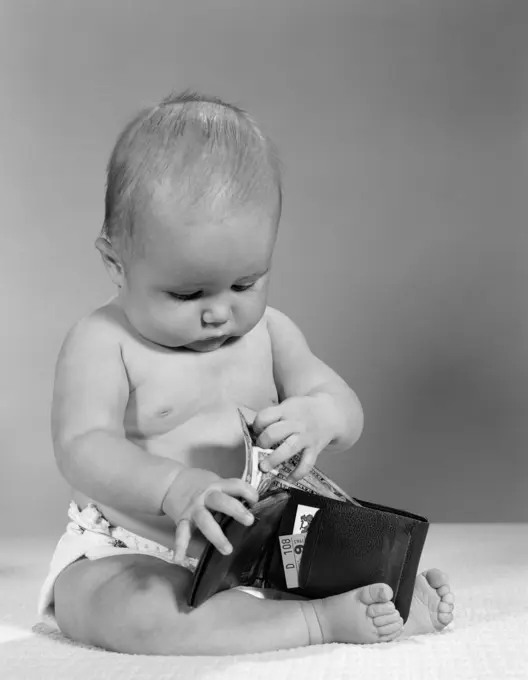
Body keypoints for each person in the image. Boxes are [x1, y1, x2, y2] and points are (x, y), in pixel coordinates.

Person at [38, 91, 454, 655]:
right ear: (116, 262)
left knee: (326, 552)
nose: (219, 311)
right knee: (134, 611)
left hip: (259, 548)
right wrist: (172, 487)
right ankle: (317, 623)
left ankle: (384, 595)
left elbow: (343, 407)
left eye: (244, 284)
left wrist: (320, 413)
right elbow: (82, 446)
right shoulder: (103, 341)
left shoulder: (270, 332)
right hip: (131, 546)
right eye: (186, 293)